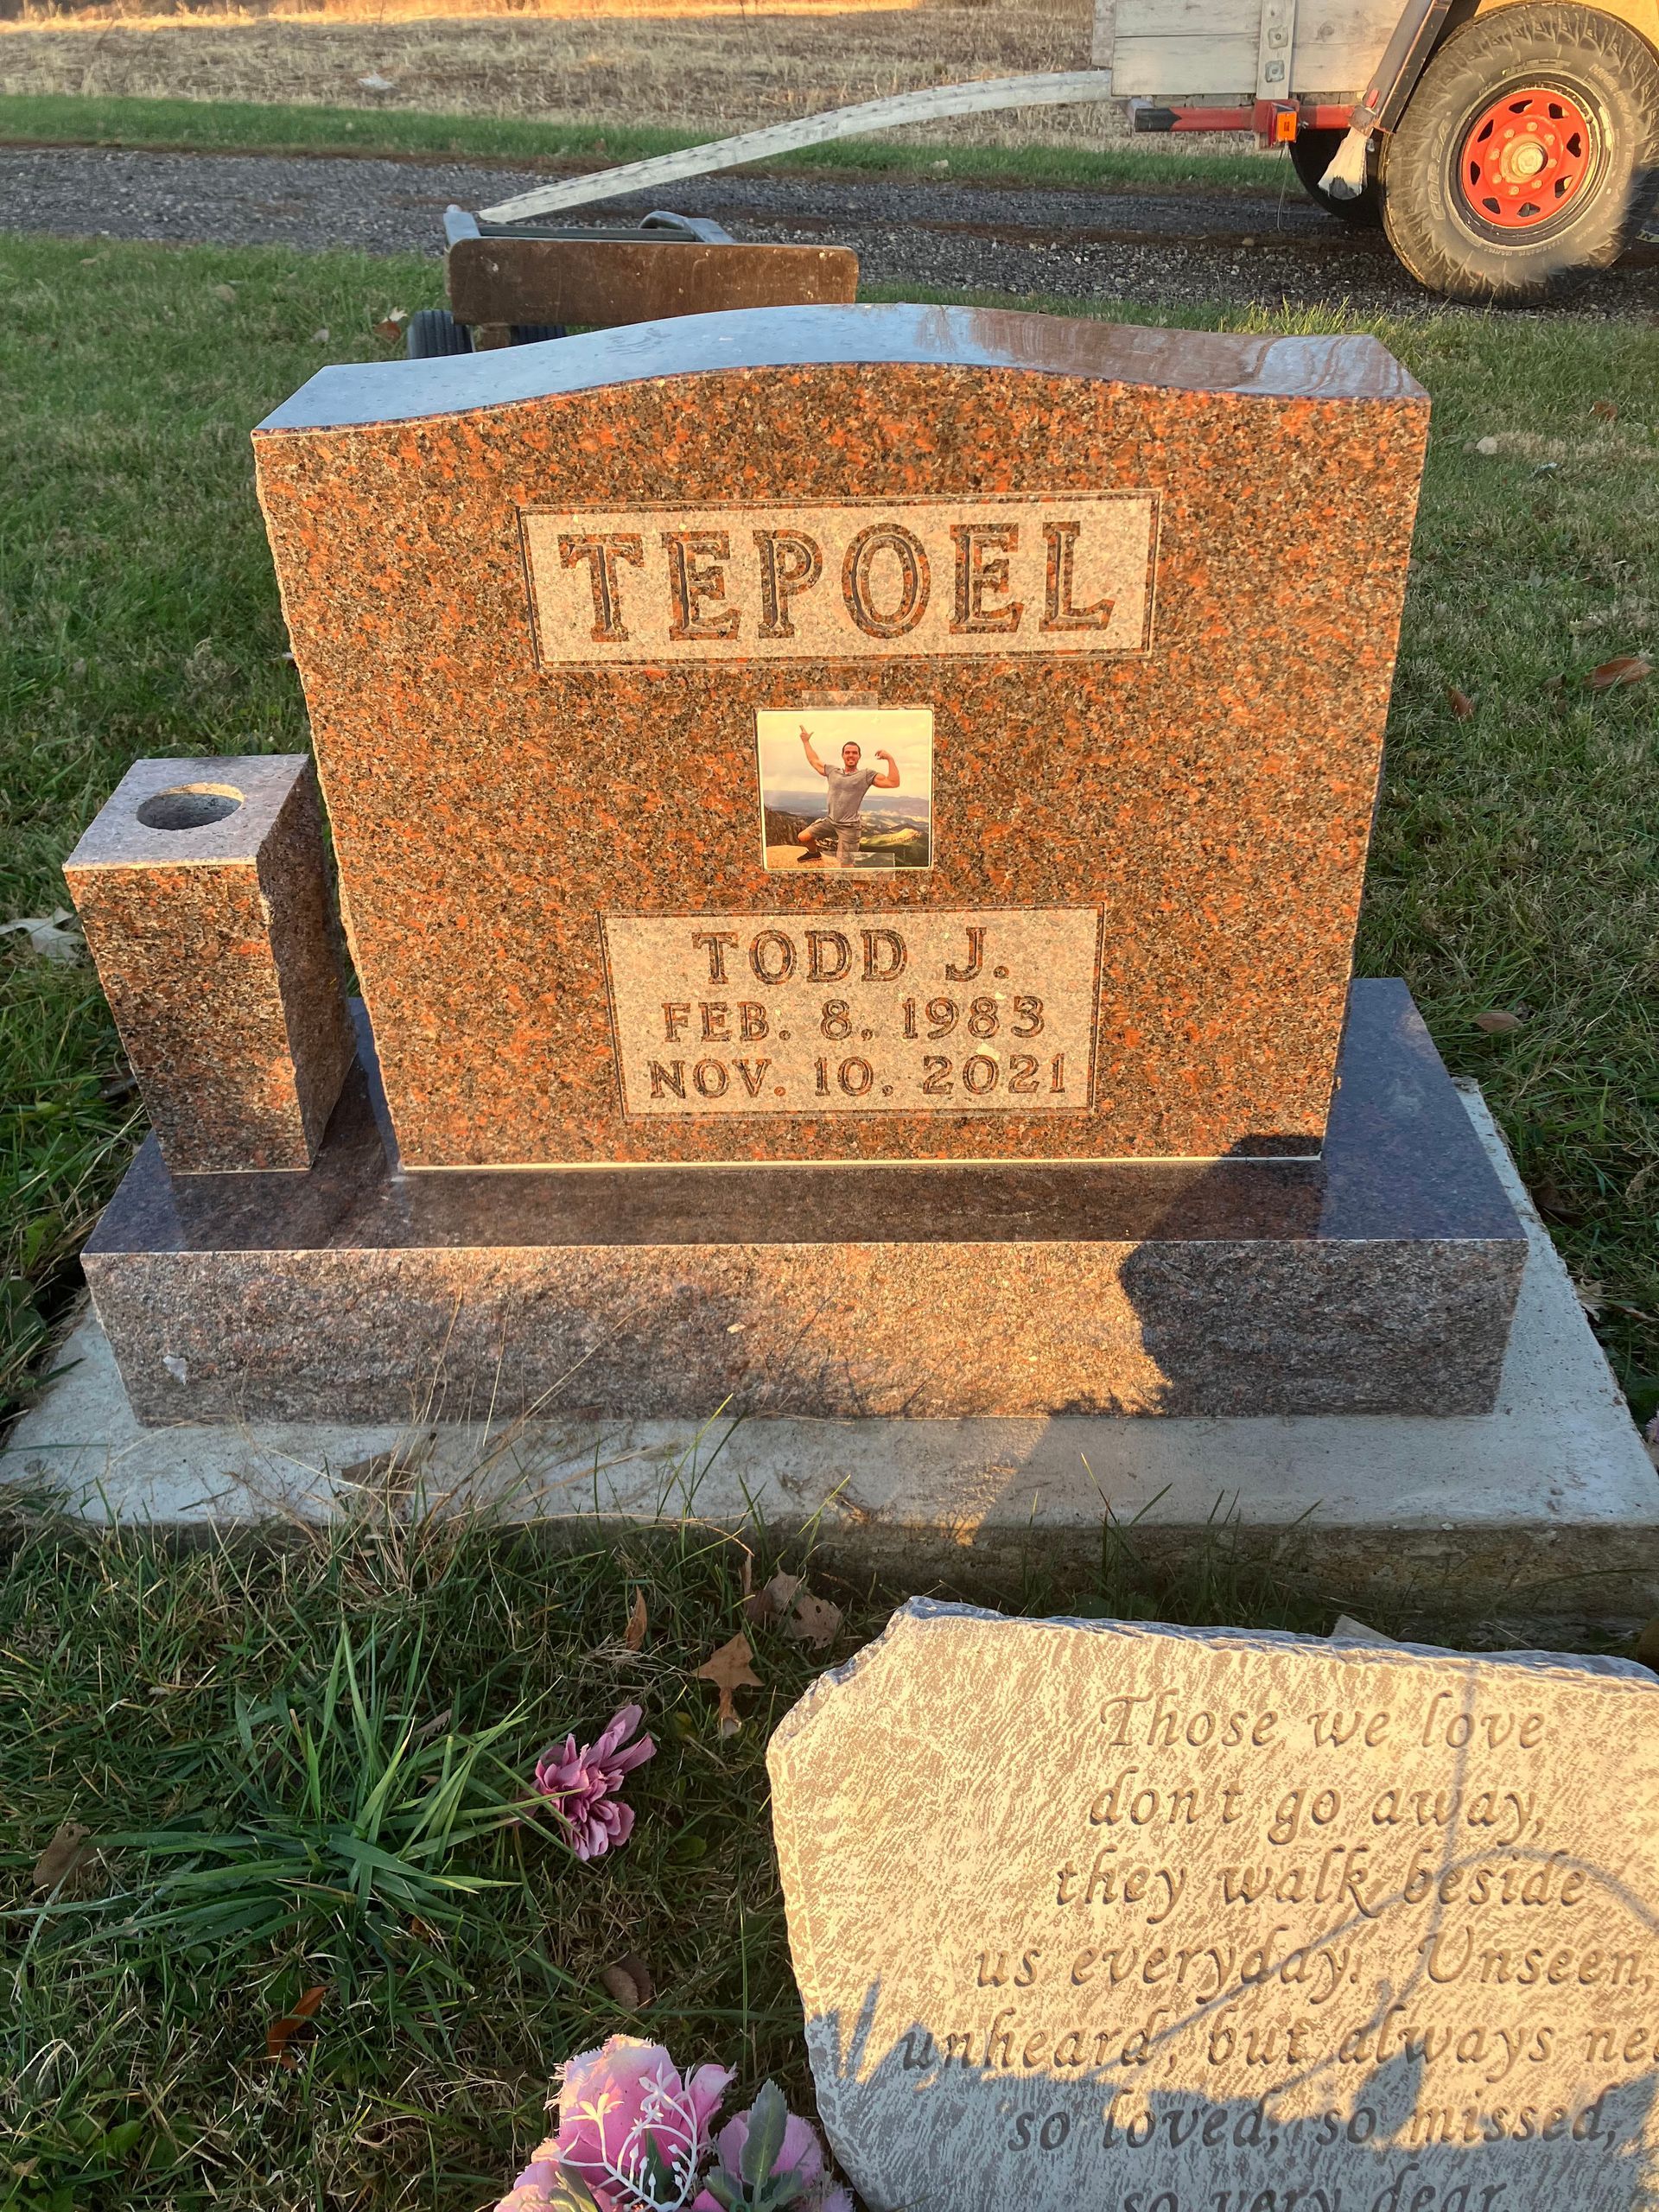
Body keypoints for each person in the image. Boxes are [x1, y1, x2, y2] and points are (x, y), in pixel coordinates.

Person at [795, 728, 899, 867]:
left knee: (845, 864)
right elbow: (814, 761)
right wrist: (806, 741)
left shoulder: (865, 775)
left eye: (854, 753)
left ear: (859, 756)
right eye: (847, 752)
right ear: (843, 755)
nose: (851, 755)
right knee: (803, 837)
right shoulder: (833, 771)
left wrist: (890, 759)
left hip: (849, 827)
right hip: (831, 821)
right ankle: (814, 854)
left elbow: (893, 782)